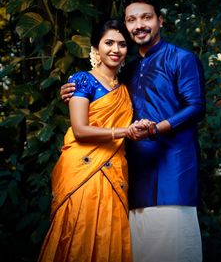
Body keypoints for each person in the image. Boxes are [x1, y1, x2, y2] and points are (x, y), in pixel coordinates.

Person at [60, 0, 206, 262]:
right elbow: (98, 94)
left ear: (160, 21)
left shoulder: (181, 58)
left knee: (173, 252)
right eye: (132, 19)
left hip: (173, 173)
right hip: (130, 178)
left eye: (146, 17)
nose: (139, 24)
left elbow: (196, 107)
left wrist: (157, 128)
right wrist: (73, 89)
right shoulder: (126, 72)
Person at [38, 19, 149, 262]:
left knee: (109, 235)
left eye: (121, 44)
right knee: (79, 233)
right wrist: (125, 132)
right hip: (82, 169)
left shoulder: (125, 88)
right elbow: (80, 130)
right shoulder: (83, 80)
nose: (115, 49)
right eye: (108, 43)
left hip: (115, 170)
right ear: (96, 48)